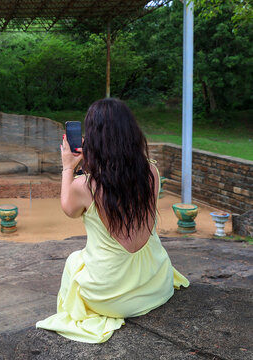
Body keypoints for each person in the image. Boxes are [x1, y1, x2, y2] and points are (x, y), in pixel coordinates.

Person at [36, 98, 189, 343]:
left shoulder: (85, 186)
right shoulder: (151, 172)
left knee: (74, 261)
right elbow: (120, 183)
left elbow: (69, 209)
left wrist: (68, 166)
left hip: (109, 297)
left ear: (94, 139)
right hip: (157, 286)